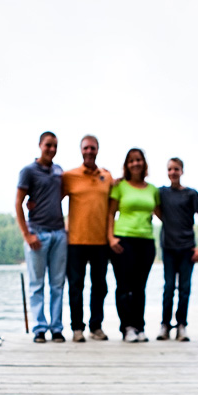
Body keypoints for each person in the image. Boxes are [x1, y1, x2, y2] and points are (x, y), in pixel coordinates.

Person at [15, 131, 67, 343]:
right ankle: (39, 328)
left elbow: (59, 194)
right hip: (37, 233)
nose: (52, 149)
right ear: (40, 145)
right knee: (37, 284)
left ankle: (56, 328)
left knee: (57, 284)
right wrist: (27, 234)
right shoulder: (28, 171)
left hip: (59, 234)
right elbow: (18, 202)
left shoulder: (58, 171)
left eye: (55, 145)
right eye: (48, 145)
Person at [62, 135, 113, 342]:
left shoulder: (106, 177)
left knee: (100, 286)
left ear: (98, 150)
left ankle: (96, 326)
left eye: (93, 148)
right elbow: (52, 198)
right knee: (76, 286)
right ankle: (77, 328)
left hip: (101, 242)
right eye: (86, 148)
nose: (89, 151)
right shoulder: (69, 176)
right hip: (75, 241)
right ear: (81, 150)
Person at [108, 148, 160, 342]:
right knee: (123, 286)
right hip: (123, 239)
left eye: (138, 160)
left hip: (146, 241)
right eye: (131, 161)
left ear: (143, 163)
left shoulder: (153, 189)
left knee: (140, 287)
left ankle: (140, 326)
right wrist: (111, 238)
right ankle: (127, 327)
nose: (135, 163)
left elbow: (162, 213)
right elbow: (110, 213)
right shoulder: (120, 186)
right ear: (127, 165)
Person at [156, 157, 198, 342]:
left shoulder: (192, 194)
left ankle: (182, 325)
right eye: (169, 169)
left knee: (184, 288)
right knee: (168, 287)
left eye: (176, 169)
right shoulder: (162, 193)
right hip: (168, 247)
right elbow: (155, 209)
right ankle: (165, 325)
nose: (173, 172)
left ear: (182, 171)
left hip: (187, 249)